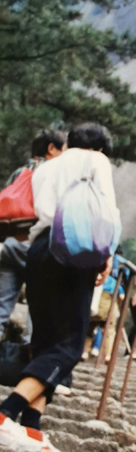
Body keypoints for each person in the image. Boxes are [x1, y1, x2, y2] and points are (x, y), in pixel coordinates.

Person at [0, 123, 119, 452]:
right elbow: (107, 210)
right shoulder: (96, 162)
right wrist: (107, 254)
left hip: (38, 251)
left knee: (45, 342)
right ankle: (6, 411)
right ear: (99, 148)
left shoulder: (45, 167)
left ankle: (32, 429)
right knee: (68, 346)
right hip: (72, 249)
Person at [0, 130, 67, 344]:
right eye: (64, 149)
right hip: (36, 246)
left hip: (10, 245)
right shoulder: (55, 173)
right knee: (39, 311)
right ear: (52, 149)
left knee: (1, 307)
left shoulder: (20, 172)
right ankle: (27, 365)